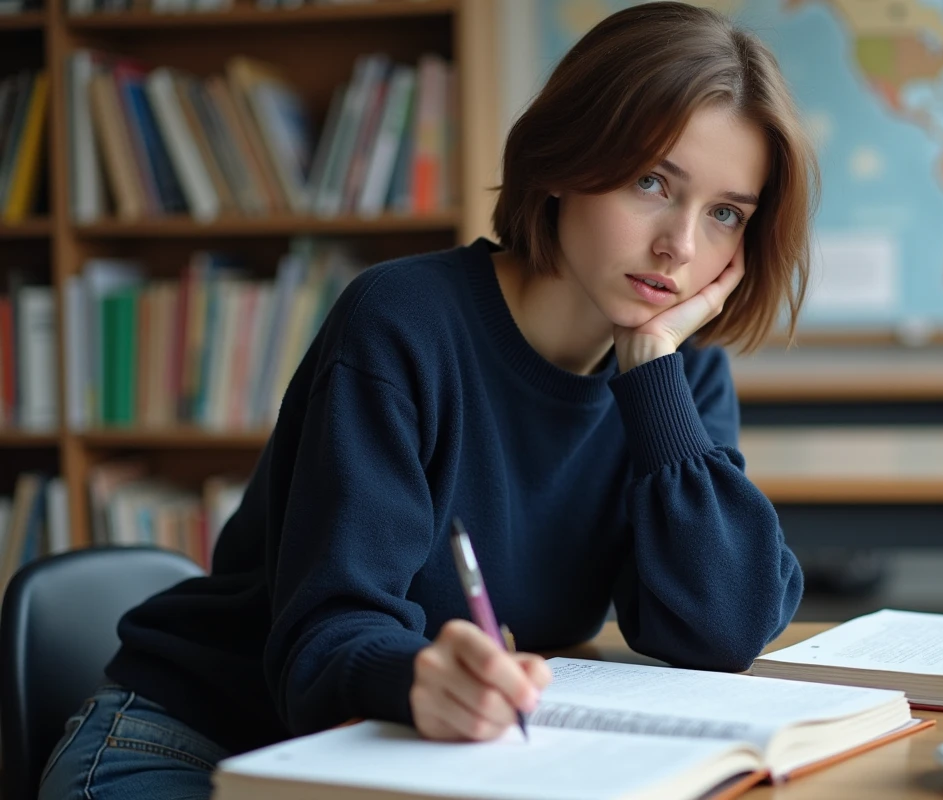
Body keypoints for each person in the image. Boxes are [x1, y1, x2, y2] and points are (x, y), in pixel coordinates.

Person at [39, 2, 818, 798]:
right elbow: (323, 637)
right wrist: (419, 678)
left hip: (400, 765)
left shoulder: (676, 378)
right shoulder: (402, 323)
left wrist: (652, 378)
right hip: (190, 745)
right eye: (651, 181)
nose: (680, 246)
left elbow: (723, 631)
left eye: (725, 214)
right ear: (563, 160)